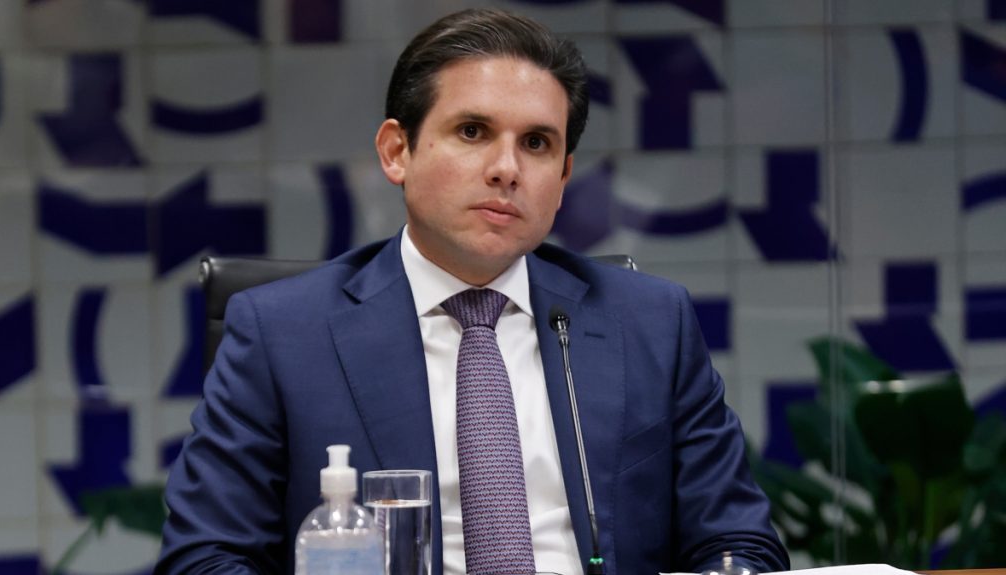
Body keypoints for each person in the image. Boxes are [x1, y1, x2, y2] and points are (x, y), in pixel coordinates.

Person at [155, 8, 789, 575]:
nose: (506, 169)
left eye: (536, 144)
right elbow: (205, 556)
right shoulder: (283, 334)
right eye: (472, 131)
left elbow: (738, 541)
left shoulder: (650, 323)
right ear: (397, 151)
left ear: (563, 177)